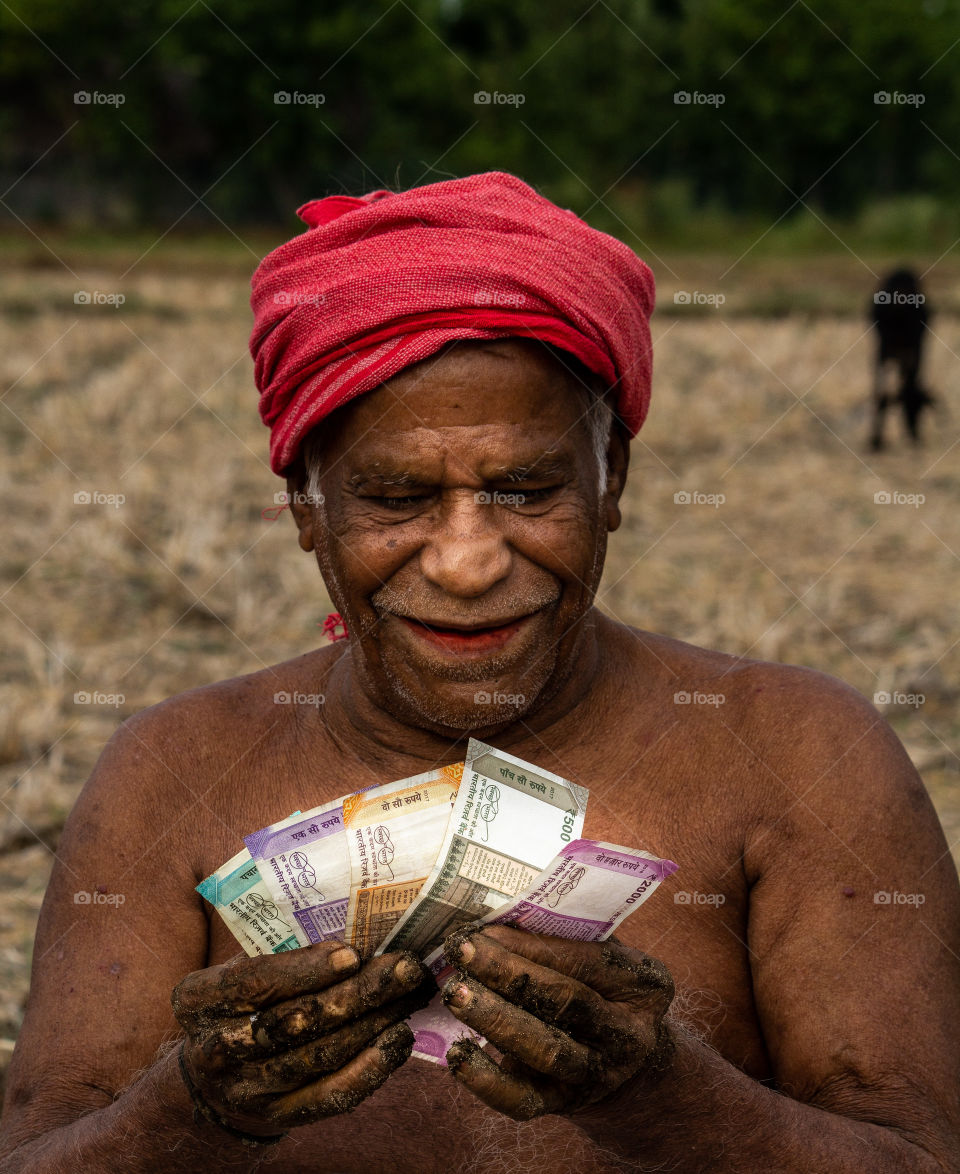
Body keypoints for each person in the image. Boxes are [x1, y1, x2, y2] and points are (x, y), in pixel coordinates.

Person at [1, 173, 958, 1174]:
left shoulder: (799, 756)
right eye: (396, 497)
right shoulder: (169, 773)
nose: (468, 561)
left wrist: (671, 1103)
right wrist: (189, 1115)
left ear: (612, 479)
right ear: (304, 503)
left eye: (526, 487)